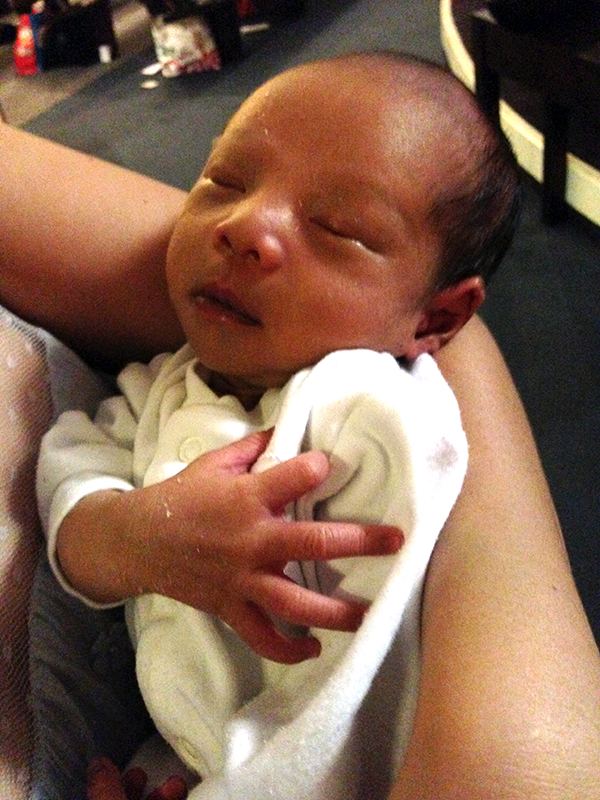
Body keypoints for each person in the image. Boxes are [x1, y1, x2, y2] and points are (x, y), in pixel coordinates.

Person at [0, 73, 599, 800]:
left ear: (437, 319)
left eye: (338, 229)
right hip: (194, 753)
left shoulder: (375, 416)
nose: (242, 225)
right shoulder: (158, 386)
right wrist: (135, 537)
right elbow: (72, 490)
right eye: (222, 182)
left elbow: (349, 706)